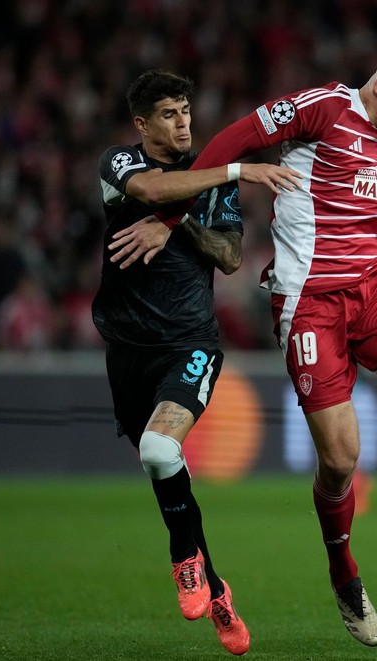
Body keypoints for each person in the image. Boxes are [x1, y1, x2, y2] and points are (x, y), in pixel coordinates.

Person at [112, 45, 377, 648]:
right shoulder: (321, 108)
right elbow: (232, 141)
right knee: (341, 460)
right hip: (310, 303)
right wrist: (173, 217)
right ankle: (345, 576)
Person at [93, 68, 300, 656]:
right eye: (168, 113)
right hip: (127, 350)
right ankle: (215, 587)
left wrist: (177, 228)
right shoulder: (118, 164)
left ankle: (184, 559)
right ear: (142, 124)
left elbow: (232, 256)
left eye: (186, 110)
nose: (183, 121)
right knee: (161, 469)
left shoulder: (210, 180)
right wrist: (239, 168)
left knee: (161, 450)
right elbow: (152, 192)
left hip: (190, 343)